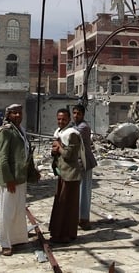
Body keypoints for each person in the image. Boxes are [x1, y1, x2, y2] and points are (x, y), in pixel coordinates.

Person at [0, 104, 31, 256]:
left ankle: (17, 239)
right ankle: (6, 243)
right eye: (14, 113)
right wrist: (9, 179)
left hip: (20, 177)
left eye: (19, 113)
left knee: (18, 210)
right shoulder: (6, 132)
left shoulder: (21, 131)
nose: (17, 115)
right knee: (7, 212)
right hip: (10, 179)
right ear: (8, 115)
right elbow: (3, 158)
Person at [49, 108, 84, 244]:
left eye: (63, 119)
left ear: (69, 120)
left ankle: (67, 234)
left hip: (71, 175)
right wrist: (54, 150)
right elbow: (57, 152)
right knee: (60, 204)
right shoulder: (59, 132)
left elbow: (70, 155)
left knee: (68, 205)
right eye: (59, 119)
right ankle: (58, 232)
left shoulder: (72, 134)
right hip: (62, 173)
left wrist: (59, 147)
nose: (61, 122)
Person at [73, 104, 98, 230]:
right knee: (79, 191)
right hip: (79, 163)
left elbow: (70, 137)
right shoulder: (76, 126)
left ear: (83, 115)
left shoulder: (83, 127)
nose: (76, 116)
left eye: (78, 113)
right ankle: (79, 217)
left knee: (84, 191)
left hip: (85, 162)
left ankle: (84, 219)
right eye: (74, 113)